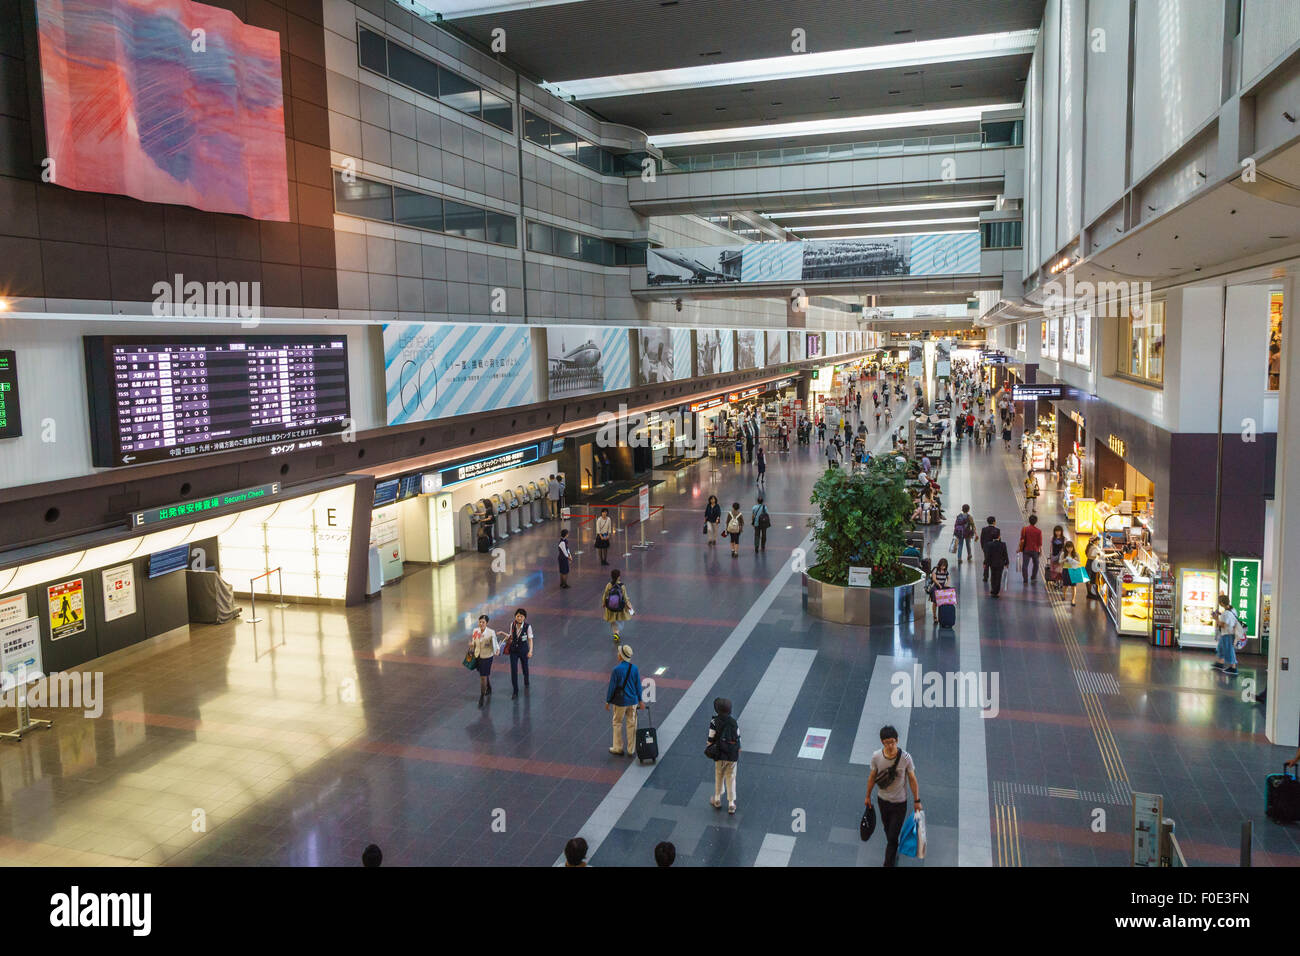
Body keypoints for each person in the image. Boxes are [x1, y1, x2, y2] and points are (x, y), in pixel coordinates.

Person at [864, 725, 921, 868]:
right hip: (882, 800)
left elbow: (912, 779)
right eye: (886, 742)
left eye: (892, 742)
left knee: (892, 836)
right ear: (882, 742)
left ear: (897, 740)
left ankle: (888, 863)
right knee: (887, 829)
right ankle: (893, 844)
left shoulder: (906, 758)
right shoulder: (876, 756)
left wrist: (917, 800)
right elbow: (872, 776)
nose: (890, 745)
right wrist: (867, 796)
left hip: (899, 803)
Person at [605, 643, 644, 756]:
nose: (617, 654)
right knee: (632, 724)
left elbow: (612, 687)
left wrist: (608, 701)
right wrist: (640, 700)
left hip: (620, 702)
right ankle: (631, 749)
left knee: (617, 722)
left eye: (619, 653)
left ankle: (618, 747)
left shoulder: (616, 670)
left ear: (621, 656)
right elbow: (638, 686)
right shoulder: (634, 668)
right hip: (633, 702)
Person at [706, 697, 741, 814]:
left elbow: (710, 738)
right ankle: (731, 803)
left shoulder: (714, 722)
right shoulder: (733, 722)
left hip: (720, 754)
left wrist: (710, 747)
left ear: (717, 709)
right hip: (732, 755)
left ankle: (717, 799)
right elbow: (738, 737)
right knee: (731, 777)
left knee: (719, 776)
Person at [468, 614, 497, 707]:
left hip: (487, 657)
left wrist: (497, 650)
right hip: (478, 655)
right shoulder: (475, 631)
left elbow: (495, 644)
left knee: (483, 676)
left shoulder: (491, 632)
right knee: (483, 673)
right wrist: (472, 645)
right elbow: (474, 641)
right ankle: (488, 687)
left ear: (487, 623)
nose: (481, 623)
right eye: (480, 622)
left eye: (483, 622)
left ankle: (482, 695)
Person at [506, 608, 533, 699]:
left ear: (524, 617)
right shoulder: (512, 625)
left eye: (521, 616)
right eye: (517, 616)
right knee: (514, 670)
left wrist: (530, 651)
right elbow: (511, 636)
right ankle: (515, 691)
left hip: (523, 651)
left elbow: (530, 639)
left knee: (524, 667)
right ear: (515, 617)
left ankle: (526, 679)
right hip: (513, 651)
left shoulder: (527, 627)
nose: (519, 618)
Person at [1212, 594, 1241, 675]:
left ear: (1221, 603)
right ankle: (1220, 663)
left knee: (1229, 650)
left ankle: (1233, 667)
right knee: (1221, 648)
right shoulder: (1232, 610)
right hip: (1228, 633)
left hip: (1228, 633)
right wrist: (1220, 615)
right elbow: (1229, 619)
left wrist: (1216, 618)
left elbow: (1223, 625)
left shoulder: (1227, 613)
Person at [601, 568, 633, 642]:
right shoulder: (622, 586)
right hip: (619, 607)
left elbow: (605, 594)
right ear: (619, 577)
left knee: (613, 621)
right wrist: (629, 606)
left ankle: (616, 633)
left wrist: (603, 603)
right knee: (620, 621)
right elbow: (625, 597)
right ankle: (617, 632)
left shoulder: (609, 585)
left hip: (611, 607)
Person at [1017, 513, 1042, 584]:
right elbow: (1039, 543)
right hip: (1035, 550)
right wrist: (1041, 551)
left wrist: (1019, 548)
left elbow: (1021, 539)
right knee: (1036, 564)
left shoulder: (1025, 529)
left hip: (1026, 550)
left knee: (1025, 565)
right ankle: (1033, 577)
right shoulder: (1038, 531)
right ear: (1036, 521)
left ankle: (1025, 579)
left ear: (1029, 521)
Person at [985, 528, 1010, 596]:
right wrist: (1007, 562)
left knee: (993, 576)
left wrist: (985, 563)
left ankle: (993, 589)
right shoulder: (1003, 544)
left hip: (992, 563)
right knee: (998, 577)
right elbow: (1005, 554)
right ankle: (996, 591)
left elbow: (988, 555)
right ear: (999, 536)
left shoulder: (989, 544)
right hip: (1000, 564)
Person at [1060, 540, 1083, 607]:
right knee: (1065, 585)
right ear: (1066, 548)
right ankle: (1064, 596)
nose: (1069, 549)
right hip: (1066, 570)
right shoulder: (1063, 554)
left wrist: (1075, 559)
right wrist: (1065, 560)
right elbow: (1060, 561)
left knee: (1073, 586)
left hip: (1074, 570)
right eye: (1068, 548)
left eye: (1071, 547)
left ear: (1073, 547)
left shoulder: (1076, 554)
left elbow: (1080, 562)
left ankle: (1073, 600)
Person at [927, 558, 950, 622]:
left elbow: (948, 578)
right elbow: (934, 579)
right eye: (942, 565)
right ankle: (934, 616)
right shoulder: (935, 570)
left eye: (944, 566)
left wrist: (947, 583)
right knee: (935, 602)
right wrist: (939, 585)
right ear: (939, 565)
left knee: (942, 602)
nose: (943, 567)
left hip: (942, 587)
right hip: (936, 587)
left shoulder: (946, 572)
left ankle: (941, 616)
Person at [979, 516, 999, 583]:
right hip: (994, 549)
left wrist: (983, 547)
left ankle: (985, 576)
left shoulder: (984, 529)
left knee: (986, 562)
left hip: (986, 548)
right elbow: (998, 541)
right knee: (993, 562)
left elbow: (981, 539)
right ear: (993, 522)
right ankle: (993, 576)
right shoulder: (997, 530)